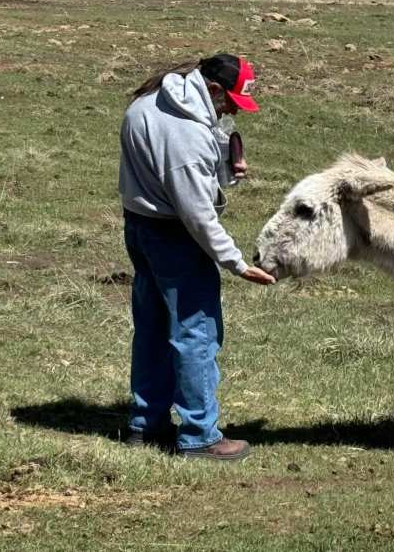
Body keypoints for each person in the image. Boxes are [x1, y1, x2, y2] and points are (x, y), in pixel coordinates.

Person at [118, 53, 276, 461]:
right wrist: (237, 263)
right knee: (196, 332)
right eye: (229, 102)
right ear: (214, 88)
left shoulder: (151, 101)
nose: (229, 111)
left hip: (140, 226)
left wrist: (227, 164)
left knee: (152, 327)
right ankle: (200, 435)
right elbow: (198, 214)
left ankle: (145, 423)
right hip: (176, 236)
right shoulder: (186, 137)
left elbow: (180, 181)